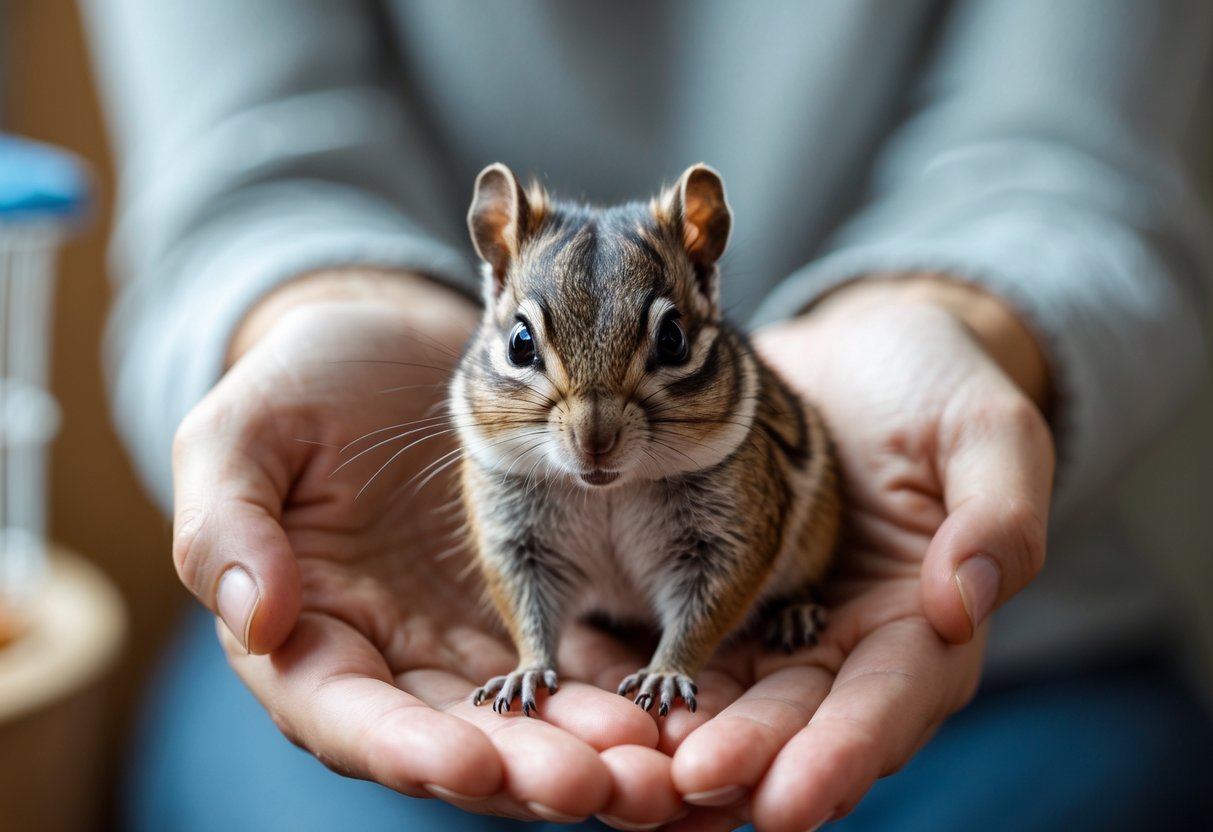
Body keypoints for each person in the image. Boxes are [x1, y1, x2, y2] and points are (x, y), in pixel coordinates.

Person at [80, 1, 1213, 829]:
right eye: (528, 356)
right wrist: (304, 305)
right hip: (391, 628)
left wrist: (962, 319)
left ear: (703, 284)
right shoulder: (482, 431)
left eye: (663, 355)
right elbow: (242, 167)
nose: (592, 433)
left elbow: (1069, 152)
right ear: (496, 281)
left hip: (1010, 656)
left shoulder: (735, 424)